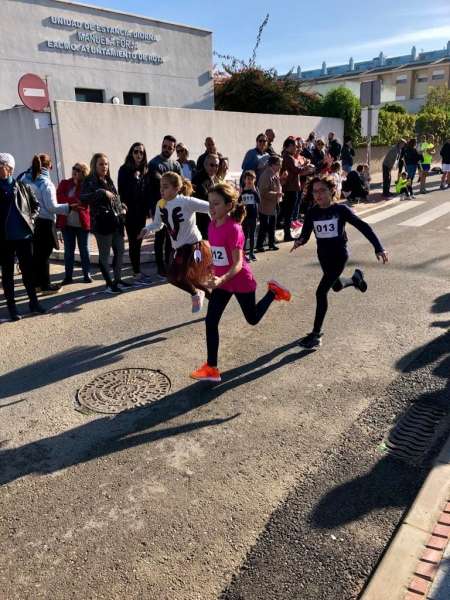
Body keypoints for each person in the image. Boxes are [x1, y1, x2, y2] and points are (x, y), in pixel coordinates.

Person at [190, 182, 291, 382]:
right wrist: (211, 268)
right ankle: (211, 368)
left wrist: (221, 278)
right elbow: (218, 254)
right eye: (210, 203)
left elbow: (237, 263)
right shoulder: (211, 225)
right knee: (211, 321)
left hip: (240, 280)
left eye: (216, 204)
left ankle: (273, 292)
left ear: (229, 205)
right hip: (222, 283)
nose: (211, 208)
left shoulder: (234, 229)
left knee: (252, 319)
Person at [291, 176, 388, 349]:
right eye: (315, 191)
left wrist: (378, 247)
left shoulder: (341, 210)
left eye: (322, 190)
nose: (318, 194)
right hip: (323, 257)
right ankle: (356, 279)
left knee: (321, 292)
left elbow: (363, 226)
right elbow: (306, 234)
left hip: (339, 256)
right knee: (335, 286)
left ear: (331, 191)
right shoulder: (312, 212)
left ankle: (316, 335)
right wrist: (300, 241)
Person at [139, 172, 212, 313]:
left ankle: (206, 298)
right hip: (178, 248)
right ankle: (199, 294)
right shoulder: (160, 204)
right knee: (172, 278)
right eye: (161, 186)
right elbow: (158, 224)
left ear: (177, 188)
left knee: (188, 277)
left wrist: (219, 222)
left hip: (193, 246)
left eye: (166, 187)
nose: (162, 190)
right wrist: (147, 229)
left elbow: (209, 207)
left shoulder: (186, 201)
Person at [0, 153, 45, 320]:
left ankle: (34, 302)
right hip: (4, 239)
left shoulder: (23, 187)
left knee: (28, 272)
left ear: (9, 168)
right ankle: (12, 308)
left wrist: (31, 218)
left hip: (23, 237)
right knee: (7, 275)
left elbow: (36, 205)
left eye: (0, 165)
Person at [80, 153, 128, 294]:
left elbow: (115, 198)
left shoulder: (108, 179)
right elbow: (83, 198)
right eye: (101, 164)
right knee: (105, 255)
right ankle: (109, 284)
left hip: (116, 222)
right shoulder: (89, 181)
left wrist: (122, 206)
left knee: (120, 251)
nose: (104, 167)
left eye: (106, 164)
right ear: (94, 165)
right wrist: (101, 192)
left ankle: (117, 280)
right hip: (102, 224)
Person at [30, 154, 74, 294]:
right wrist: (68, 207)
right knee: (44, 255)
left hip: (30, 222)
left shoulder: (25, 178)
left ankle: (36, 284)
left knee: (36, 254)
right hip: (44, 222)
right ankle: (45, 286)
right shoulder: (46, 183)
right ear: (49, 166)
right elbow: (52, 207)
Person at [148, 135, 182, 279]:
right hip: (160, 206)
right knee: (160, 237)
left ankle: (169, 264)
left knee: (171, 237)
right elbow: (156, 184)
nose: (166, 149)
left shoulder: (176, 165)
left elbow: (180, 185)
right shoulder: (154, 163)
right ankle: (160, 267)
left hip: (173, 207)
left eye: (170, 147)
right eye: (165, 146)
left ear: (174, 149)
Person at [118, 142, 152, 286]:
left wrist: (149, 209)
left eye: (141, 152)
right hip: (130, 212)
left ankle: (136, 270)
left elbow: (147, 191)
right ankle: (136, 272)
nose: (139, 155)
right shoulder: (124, 169)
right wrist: (134, 178)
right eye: (136, 151)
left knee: (138, 241)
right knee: (133, 241)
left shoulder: (145, 170)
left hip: (141, 212)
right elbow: (122, 192)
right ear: (131, 153)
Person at [56, 162, 92, 285]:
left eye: (78, 170)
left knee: (84, 250)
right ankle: (68, 276)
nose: (75, 171)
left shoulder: (86, 186)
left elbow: (84, 202)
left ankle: (87, 274)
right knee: (68, 251)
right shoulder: (64, 183)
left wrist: (71, 203)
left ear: (84, 173)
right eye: (74, 168)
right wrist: (72, 203)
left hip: (82, 224)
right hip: (67, 224)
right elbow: (59, 199)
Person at [281, 138, 314, 242]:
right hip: (290, 188)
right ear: (289, 146)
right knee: (289, 213)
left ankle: (288, 234)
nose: (297, 148)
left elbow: (297, 169)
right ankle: (287, 234)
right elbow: (296, 170)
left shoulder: (289, 157)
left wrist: (305, 166)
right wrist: (307, 167)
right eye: (295, 146)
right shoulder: (288, 157)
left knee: (290, 212)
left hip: (293, 187)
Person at [256, 155, 283, 252]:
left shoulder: (274, 173)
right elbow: (263, 192)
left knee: (272, 225)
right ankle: (259, 245)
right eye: (278, 164)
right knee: (264, 226)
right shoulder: (266, 175)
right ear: (272, 165)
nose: (280, 166)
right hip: (265, 206)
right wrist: (277, 194)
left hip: (273, 204)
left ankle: (271, 243)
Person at [191, 154, 219, 239]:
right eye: (212, 165)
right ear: (205, 165)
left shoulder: (213, 178)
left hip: (210, 218)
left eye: (217, 165)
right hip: (201, 220)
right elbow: (204, 197)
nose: (214, 168)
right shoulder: (198, 179)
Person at [239, 170, 260, 261]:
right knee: (245, 235)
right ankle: (243, 254)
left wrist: (254, 191)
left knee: (252, 235)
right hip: (245, 217)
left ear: (254, 180)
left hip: (253, 216)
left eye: (252, 179)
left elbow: (259, 200)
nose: (249, 181)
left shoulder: (255, 190)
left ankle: (252, 253)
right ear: (244, 180)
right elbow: (239, 201)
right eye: (248, 179)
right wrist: (240, 194)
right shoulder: (243, 191)